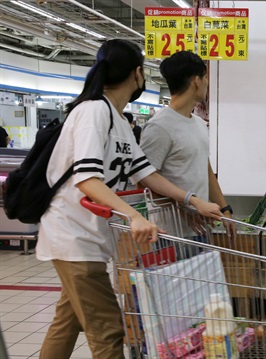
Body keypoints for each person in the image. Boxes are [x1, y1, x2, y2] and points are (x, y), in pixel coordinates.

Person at [37, 39, 224, 359]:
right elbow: (87, 179)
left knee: (67, 322)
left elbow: (145, 173)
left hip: (92, 236)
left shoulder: (118, 119)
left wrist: (193, 200)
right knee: (108, 330)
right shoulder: (95, 111)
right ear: (138, 74)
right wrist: (134, 215)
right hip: (73, 235)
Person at [140, 51, 235, 236]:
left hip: (200, 230)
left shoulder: (198, 123)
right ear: (196, 81)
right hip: (171, 234)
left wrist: (225, 209)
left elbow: (206, 170)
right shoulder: (159, 126)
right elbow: (146, 181)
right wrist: (184, 213)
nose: (208, 82)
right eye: (206, 76)